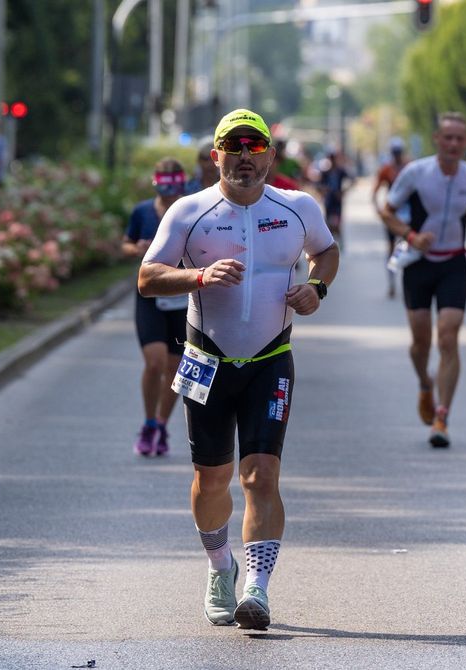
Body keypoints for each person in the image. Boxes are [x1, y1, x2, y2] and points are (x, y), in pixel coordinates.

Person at [138, 108, 339, 630]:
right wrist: (200, 275)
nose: (244, 157)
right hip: (206, 359)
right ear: (215, 156)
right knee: (211, 481)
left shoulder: (297, 208)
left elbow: (327, 252)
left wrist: (316, 288)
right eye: (234, 146)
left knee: (261, 475)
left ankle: (256, 588)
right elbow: (147, 278)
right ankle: (219, 566)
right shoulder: (188, 212)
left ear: (271, 156)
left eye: (255, 147)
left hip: (271, 359)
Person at [379, 112, 466, 448]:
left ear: (465, 143)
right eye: (448, 138)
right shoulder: (416, 173)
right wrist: (410, 236)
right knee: (421, 343)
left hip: (454, 262)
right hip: (419, 263)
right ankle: (425, 385)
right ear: (437, 140)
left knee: (448, 337)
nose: (454, 144)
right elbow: (387, 210)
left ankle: (442, 416)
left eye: (460, 138)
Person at [123, 158, 190, 457]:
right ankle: (149, 422)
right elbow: (125, 243)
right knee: (155, 362)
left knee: (176, 368)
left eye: (174, 185)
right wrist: (135, 248)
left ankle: (161, 425)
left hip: (181, 298)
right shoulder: (142, 212)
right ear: (156, 183)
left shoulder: (190, 211)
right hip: (150, 298)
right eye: (164, 185)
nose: (169, 192)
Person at [372, 137, 411, 298]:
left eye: (398, 152)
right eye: (394, 153)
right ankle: (392, 282)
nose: (396, 155)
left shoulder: (409, 167)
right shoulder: (386, 169)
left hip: (409, 214)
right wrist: (379, 211)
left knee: (409, 248)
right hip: (392, 214)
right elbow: (375, 191)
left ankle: (408, 281)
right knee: (391, 249)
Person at [318, 150, 352, 246]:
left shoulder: (340, 171)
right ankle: (330, 242)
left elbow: (352, 180)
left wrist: (343, 192)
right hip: (329, 200)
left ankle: (339, 241)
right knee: (329, 222)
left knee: (337, 222)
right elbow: (319, 185)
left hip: (337, 200)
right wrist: (323, 191)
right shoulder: (325, 172)